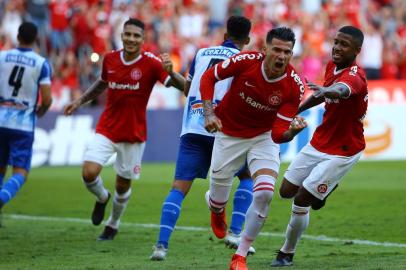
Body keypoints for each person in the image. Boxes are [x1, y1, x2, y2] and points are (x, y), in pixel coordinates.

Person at [63, 18, 185, 240]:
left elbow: (184, 87)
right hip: (107, 128)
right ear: (122, 35)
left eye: (136, 36)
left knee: (122, 185)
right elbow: (102, 83)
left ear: (143, 39)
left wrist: (171, 71)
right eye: (127, 34)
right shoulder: (110, 58)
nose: (131, 39)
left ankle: (113, 224)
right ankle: (101, 197)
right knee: (89, 173)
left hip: (134, 134)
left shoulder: (152, 63)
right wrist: (79, 101)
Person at [200, 27, 307, 270]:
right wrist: (209, 113)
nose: (281, 56)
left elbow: (279, 134)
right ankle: (216, 208)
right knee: (218, 198)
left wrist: (292, 132)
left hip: (264, 137)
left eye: (287, 52)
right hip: (228, 133)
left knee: (265, 194)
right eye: (276, 50)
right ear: (264, 49)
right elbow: (208, 78)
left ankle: (240, 255)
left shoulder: (294, 86)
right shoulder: (245, 60)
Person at [150, 15, 256, 261]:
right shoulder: (245, 61)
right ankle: (235, 232)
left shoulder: (201, 54)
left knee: (178, 188)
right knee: (248, 175)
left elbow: (187, 90)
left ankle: (160, 246)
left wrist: (171, 73)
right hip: (224, 131)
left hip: (193, 129)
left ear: (224, 35)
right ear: (247, 40)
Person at [271, 25, 367, 267]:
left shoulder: (356, 75)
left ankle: (286, 253)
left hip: (344, 150)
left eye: (344, 44)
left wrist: (328, 89)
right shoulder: (331, 67)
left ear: (356, 50)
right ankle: (324, 190)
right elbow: (322, 95)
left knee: (301, 200)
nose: (337, 47)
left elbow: (342, 90)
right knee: (285, 191)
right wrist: (295, 110)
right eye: (336, 42)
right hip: (320, 142)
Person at [0, 22, 52, 224]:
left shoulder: (2, 57)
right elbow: (47, 99)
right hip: (22, 126)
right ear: (35, 38)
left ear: (17, 36)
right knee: (20, 173)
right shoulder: (40, 63)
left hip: (0, 121)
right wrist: (41, 111)